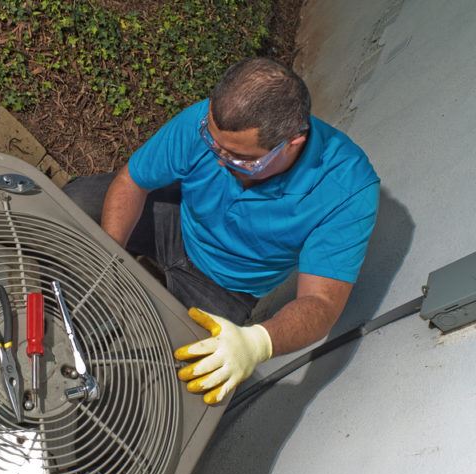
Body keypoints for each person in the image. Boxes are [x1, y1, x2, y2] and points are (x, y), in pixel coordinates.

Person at [63, 57, 380, 405]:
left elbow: (320, 303)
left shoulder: (348, 187)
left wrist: (257, 343)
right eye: (213, 144)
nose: (218, 159)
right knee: (78, 200)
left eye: (238, 157)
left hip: (225, 288)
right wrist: (109, 255)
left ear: (293, 142)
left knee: (177, 382)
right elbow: (132, 182)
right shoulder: (209, 122)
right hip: (175, 221)